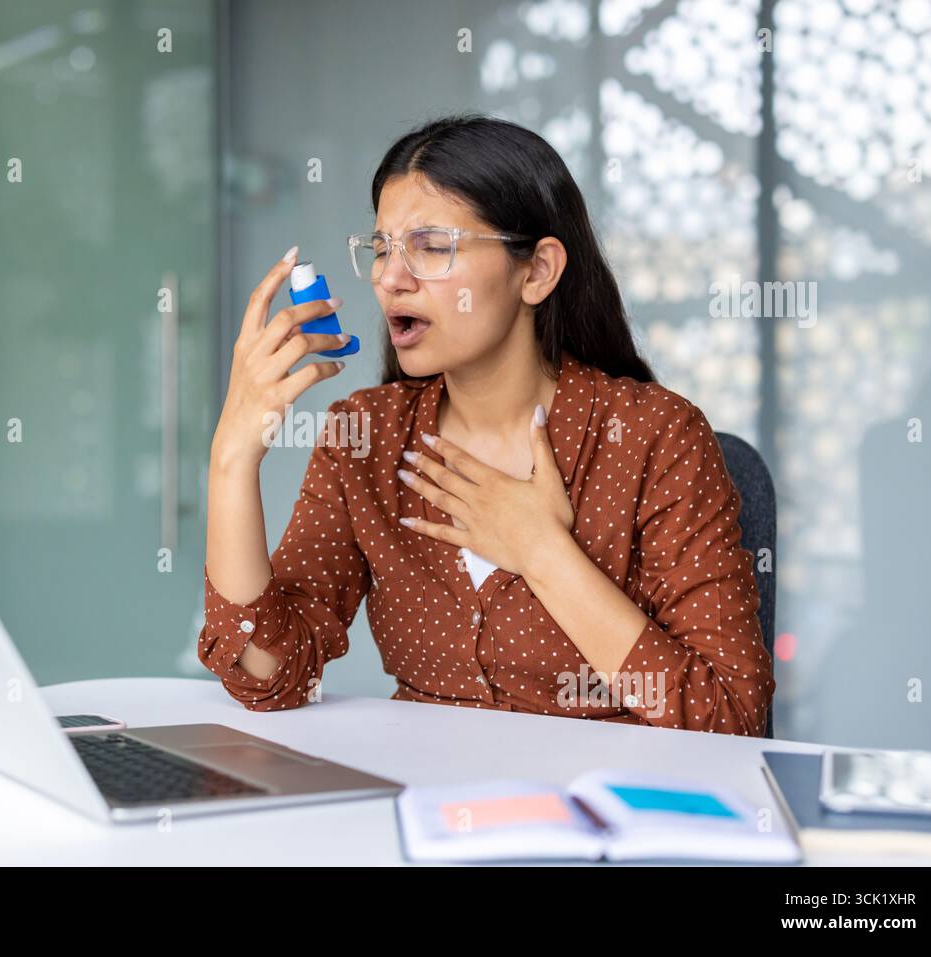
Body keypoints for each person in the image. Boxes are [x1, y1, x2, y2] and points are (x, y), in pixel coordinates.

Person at [198, 113, 774, 735]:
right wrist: (232, 463)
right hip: (425, 812)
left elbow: (729, 720)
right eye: (383, 248)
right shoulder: (364, 438)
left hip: (604, 815)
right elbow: (269, 674)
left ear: (537, 272)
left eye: (431, 247)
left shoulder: (654, 436)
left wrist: (543, 552)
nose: (391, 278)